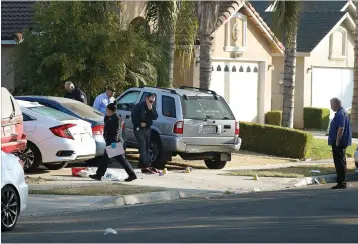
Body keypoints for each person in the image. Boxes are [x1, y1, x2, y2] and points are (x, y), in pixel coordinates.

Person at [89, 103, 137, 182]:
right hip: (111, 141)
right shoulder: (108, 117)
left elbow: (117, 132)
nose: (106, 111)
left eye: (107, 110)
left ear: (111, 111)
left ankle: (99, 174)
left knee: (117, 159)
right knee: (114, 159)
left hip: (114, 142)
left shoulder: (116, 118)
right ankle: (99, 174)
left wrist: (113, 144)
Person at [131, 93, 159, 174]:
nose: (151, 103)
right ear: (147, 99)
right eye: (150, 101)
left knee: (146, 146)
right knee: (142, 145)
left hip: (147, 129)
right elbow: (133, 116)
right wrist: (139, 123)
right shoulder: (139, 106)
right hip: (139, 129)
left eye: (153, 102)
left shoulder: (152, 106)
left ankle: (142, 164)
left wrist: (151, 109)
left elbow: (155, 117)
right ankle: (147, 165)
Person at [328, 97, 352, 189]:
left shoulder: (340, 114)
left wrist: (337, 142)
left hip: (339, 143)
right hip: (342, 142)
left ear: (336, 104)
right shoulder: (343, 113)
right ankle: (342, 181)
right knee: (342, 162)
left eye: (331, 104)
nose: (331, 107)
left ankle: (341, 182)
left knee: (339, 162)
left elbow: (341, 128)